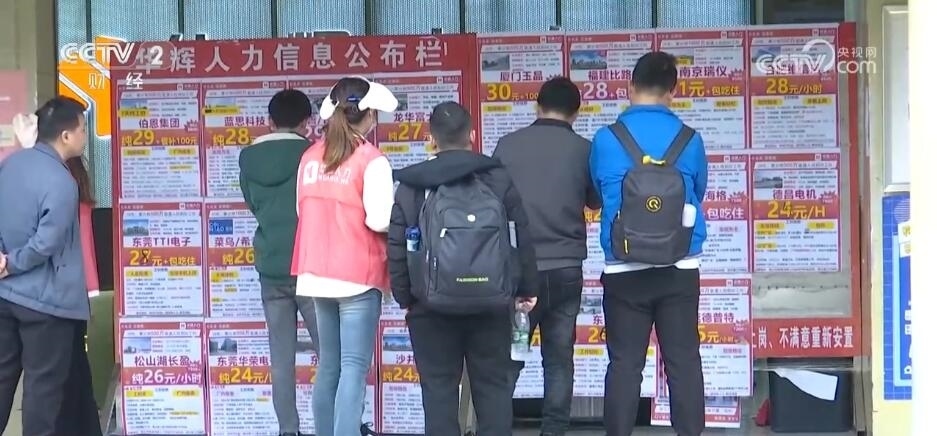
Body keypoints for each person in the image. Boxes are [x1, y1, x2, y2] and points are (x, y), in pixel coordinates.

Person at [388, 101, 539, 436]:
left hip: (430, 307)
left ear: (432, 139)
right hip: (492, 304)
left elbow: (397, 248)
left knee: (439, 391)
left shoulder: (413, 185)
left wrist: (405, 298)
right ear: (471, 135)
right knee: (494, 389)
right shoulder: (496, 177)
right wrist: (526, 289)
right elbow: (520, 236)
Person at [589, 51, 708, 436]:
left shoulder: (606, 139)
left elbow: (598, 191)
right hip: (680, 265)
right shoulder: (690, 140)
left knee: (625, 364)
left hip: (623, 267)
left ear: (630, 87)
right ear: (673, 91)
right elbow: (698, 191)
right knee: (683, 361)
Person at [492, 77, 601, 436]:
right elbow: (595, 201)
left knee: (511, 358)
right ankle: (554, 431)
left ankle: (497, 428)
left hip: (520, 276)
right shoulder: (585, 150)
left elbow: (491, 201)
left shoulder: (508, 146)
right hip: (566, 272)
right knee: (558, 361)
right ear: (576, 113)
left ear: (537, 106)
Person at [292, 77, 396, 436]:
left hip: (315, 272)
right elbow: (380, 219)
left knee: (329, 366)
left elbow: (301, 212)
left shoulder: (309, 157)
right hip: (357, 273)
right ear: (369, 116)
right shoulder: (371, 159)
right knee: (353, 366)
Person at [0, 97, 91, 436]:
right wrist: (13, 263)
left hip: (5, 296)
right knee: (43, 391)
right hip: (47, 304)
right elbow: (47, 243)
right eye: (83, 129)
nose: (85, 135)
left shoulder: (9, 165)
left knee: (2, 379)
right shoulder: (61, 180)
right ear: (66, 136)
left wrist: (3, 262)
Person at [239, 88, 316, 436]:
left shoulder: (249, 158)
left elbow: (253, 204)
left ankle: (288, 429)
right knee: (331, 355)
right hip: (310, 265)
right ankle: (335, 425)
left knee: (281, 359)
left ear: (270, 121)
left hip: (270, 268)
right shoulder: (312, 154)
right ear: (306, 122)